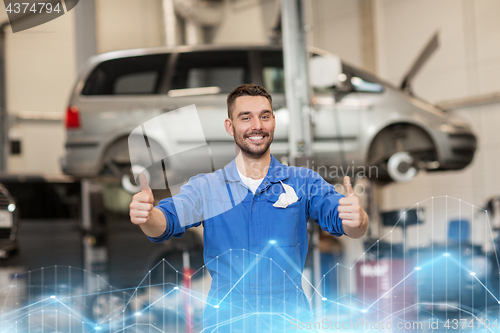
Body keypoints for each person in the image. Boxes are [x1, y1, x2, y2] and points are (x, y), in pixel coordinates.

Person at [129, 83, 368, 332]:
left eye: (264, 116)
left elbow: (351, 225)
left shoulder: (303, 182)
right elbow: (166, 222)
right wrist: (148, 216)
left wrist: (357, 218)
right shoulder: (207, 188)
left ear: (274, 121)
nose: (257, 126)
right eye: (246, 118)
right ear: (230, 126)